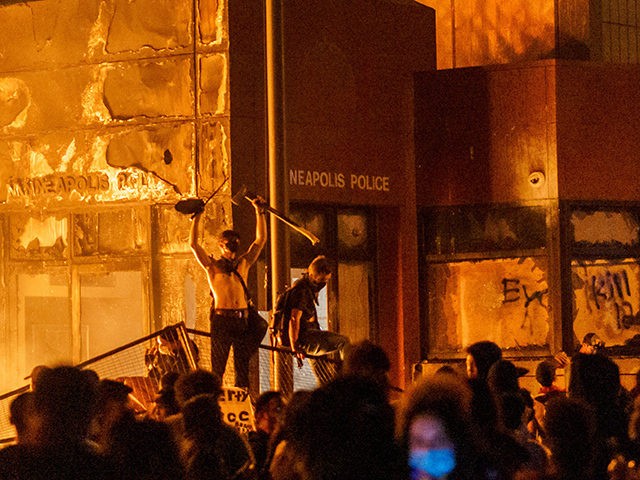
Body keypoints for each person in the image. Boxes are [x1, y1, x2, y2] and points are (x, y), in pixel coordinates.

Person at [189, 195, 267, 389]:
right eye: (227, 242)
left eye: (234, 241)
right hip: (222, 320)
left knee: (242, 369)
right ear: (220, 245)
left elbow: (260, 241)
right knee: (218, 368)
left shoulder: (243, 264)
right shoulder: (212, 267)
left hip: (242, 320)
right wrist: (197, 217)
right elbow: (194, 245)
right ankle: (217, 403)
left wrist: (259, 212)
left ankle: (243, 402)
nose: (231, 245)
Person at [286, 255, 350, 384]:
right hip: (307, 338)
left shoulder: (305, 288)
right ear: (313, 275)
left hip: (310, 336)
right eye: (322, 280)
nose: (323, 284)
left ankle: (328, 396)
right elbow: (294, 319)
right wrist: (295, 346)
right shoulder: (302, 291)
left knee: (324, 378)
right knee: (343, 342)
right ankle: (348, 377)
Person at [249, 390, 285, 479]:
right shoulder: (256, 447)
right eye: (278, 409)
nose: (282, 414)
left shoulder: (282, 444)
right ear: (262, 414)